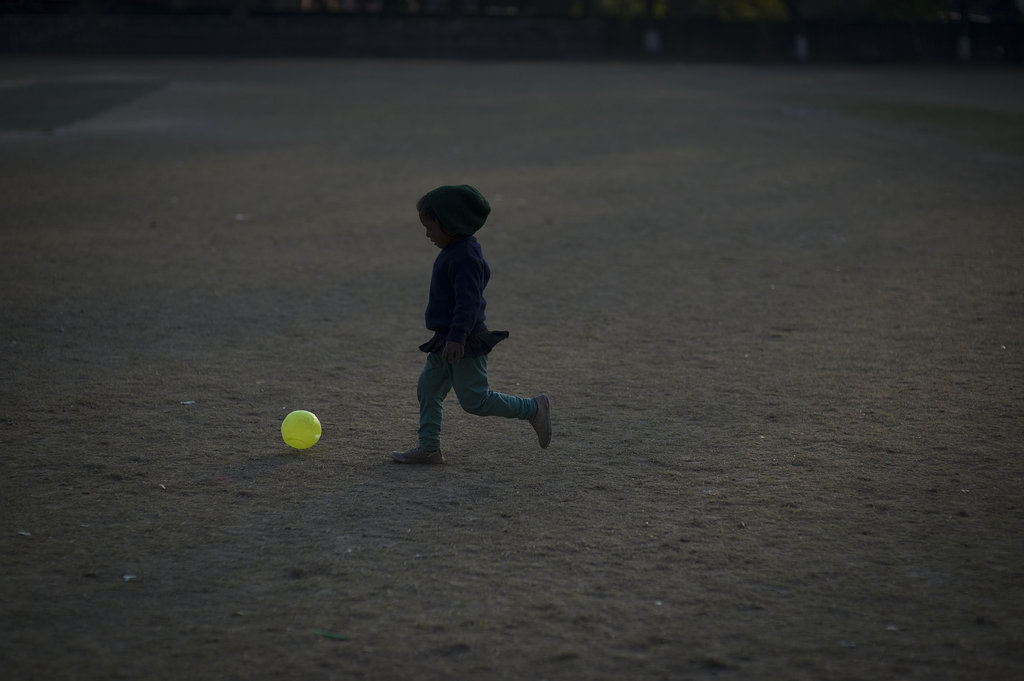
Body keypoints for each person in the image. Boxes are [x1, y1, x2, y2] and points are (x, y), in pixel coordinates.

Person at [391, 184, 551, 464]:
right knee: (428, 389)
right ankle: (429, 447)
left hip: (461, 342)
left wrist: (458, 336)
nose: (427, 234)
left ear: (452, 225)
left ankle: (533, 409)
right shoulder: (454, 250)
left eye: (431, 228)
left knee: (475, 401)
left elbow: (469, 302)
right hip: (446, 339)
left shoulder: (466, 257)